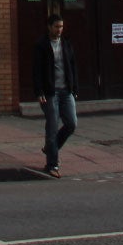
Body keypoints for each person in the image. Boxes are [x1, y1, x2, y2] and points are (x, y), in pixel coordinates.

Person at [30, 14, 77, 177]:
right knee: (52, 125)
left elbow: (72, 65)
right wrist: (39, 92)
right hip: (50, 92)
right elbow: (36, 71)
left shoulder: (66, 44)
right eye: (56, 27)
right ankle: (52, 165)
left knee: (71, 123)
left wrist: (74, 87)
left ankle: (51, 147)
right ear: (49, 27)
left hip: (66, 91)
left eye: (61, 27)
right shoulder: (41, 45)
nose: (59, 30)